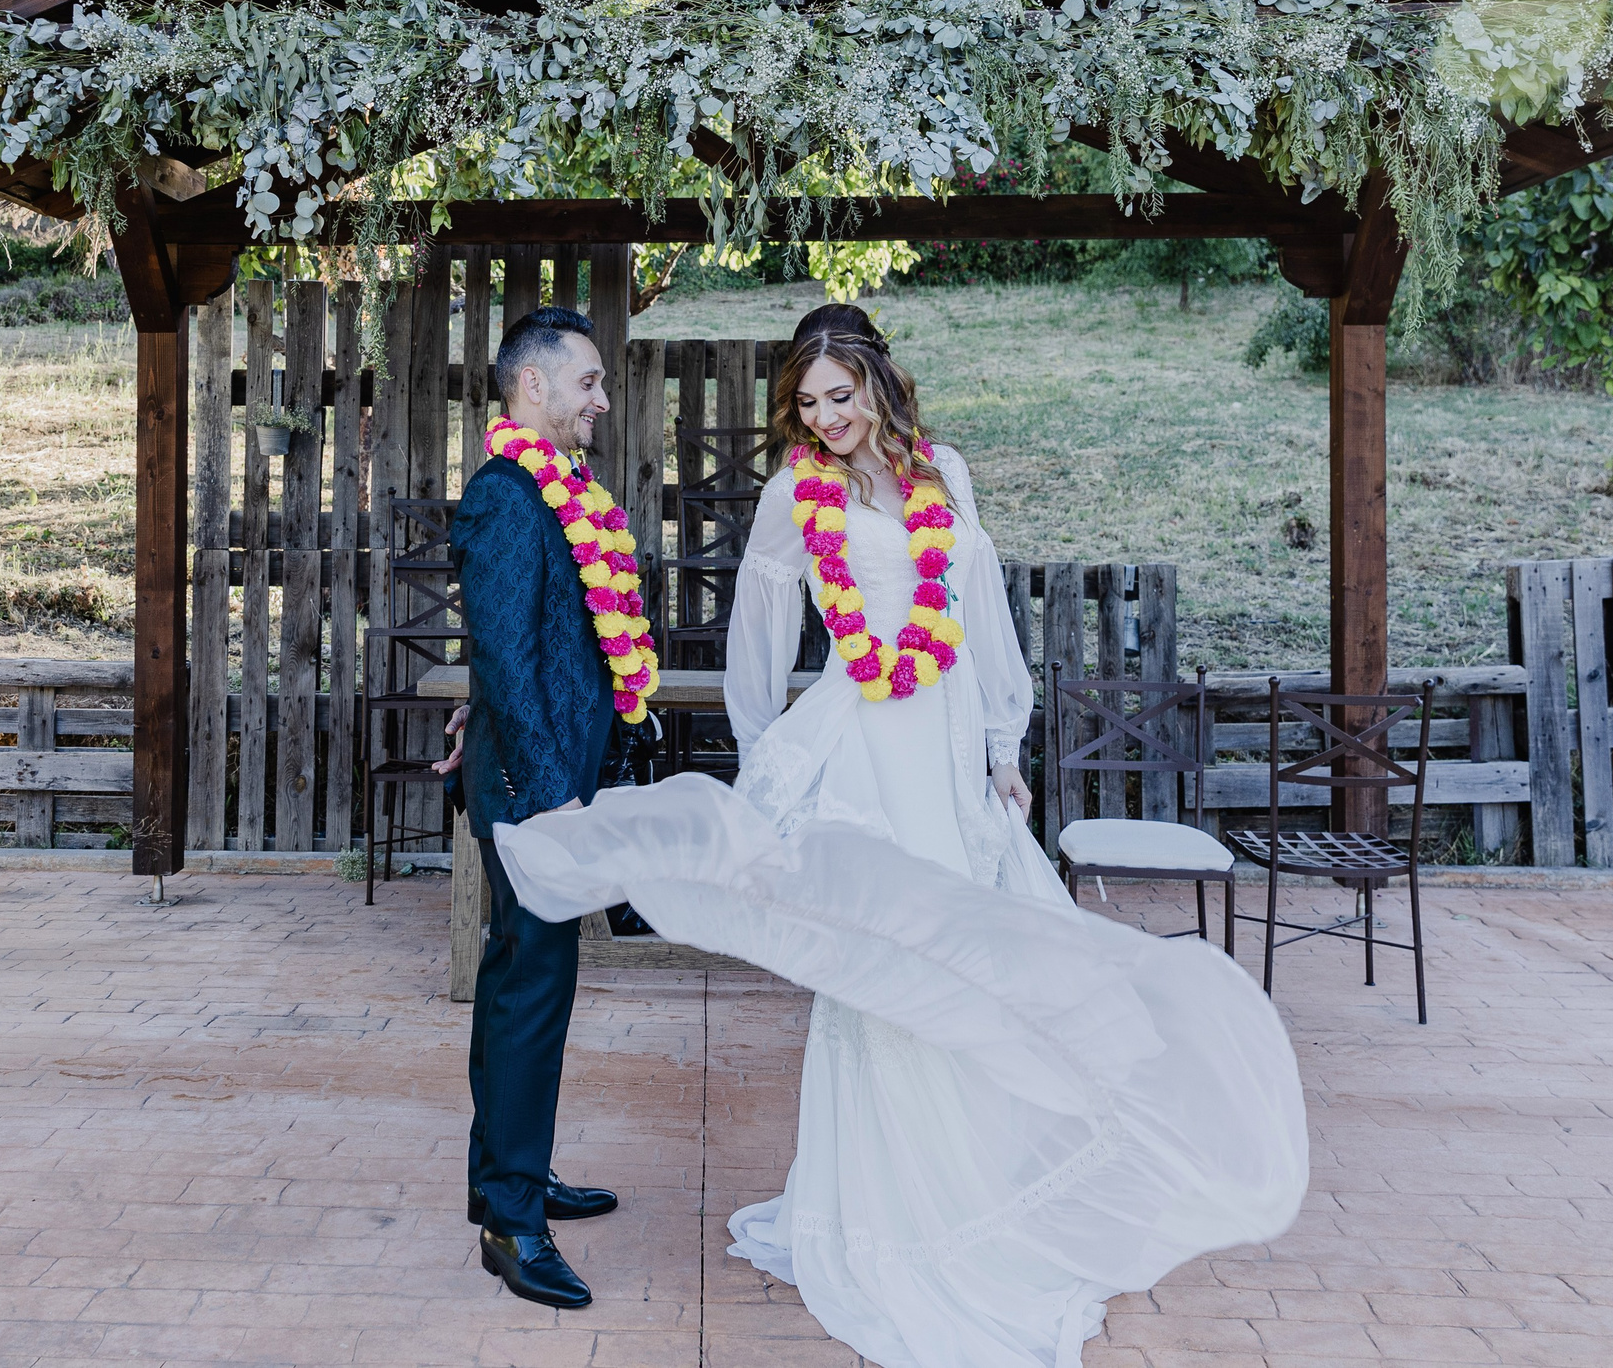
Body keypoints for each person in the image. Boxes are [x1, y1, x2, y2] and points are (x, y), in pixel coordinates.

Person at [489, 303, 1310, 1368]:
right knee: (886, 970)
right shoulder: (796, 496)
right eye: (808, 403)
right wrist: (766, 753)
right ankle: (896, 1219)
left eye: (841, 395)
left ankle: (983, 1187)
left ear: (878, 382)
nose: (826, 418)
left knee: (984, 958)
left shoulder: (944, 476)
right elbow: (760, 630)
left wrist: (1002, 748)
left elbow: (977, 619)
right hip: (863, 746)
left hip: (945, 741)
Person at [444, 302, 653, 1310]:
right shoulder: (504, 496)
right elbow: (503, 658)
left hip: (550, 780)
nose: (600, 401)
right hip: (535, 792)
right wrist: (547, 795)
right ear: (533, 386)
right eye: (589, 382)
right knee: (529, 995)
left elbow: (536, 649)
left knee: (529, 988)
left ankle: (514, 1174)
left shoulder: (557, 491)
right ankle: (509, 1223)